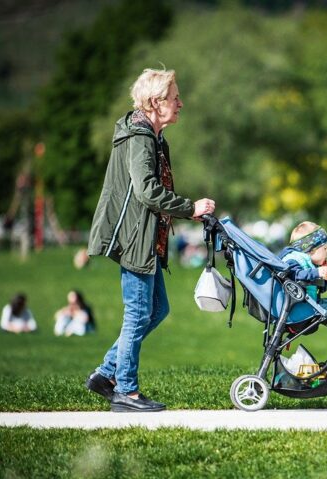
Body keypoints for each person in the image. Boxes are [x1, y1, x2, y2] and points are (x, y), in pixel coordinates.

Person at [85, 68, 216, 412]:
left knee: (157, 309)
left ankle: (106, 373)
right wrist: (190, 208)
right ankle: (125, 391)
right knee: (139, 312)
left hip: (148, 237)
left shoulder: (153, 137)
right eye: (175, 98)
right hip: (135, 237)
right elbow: (147, 192)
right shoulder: (140, 137)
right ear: (156, 102)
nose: (181, 104)